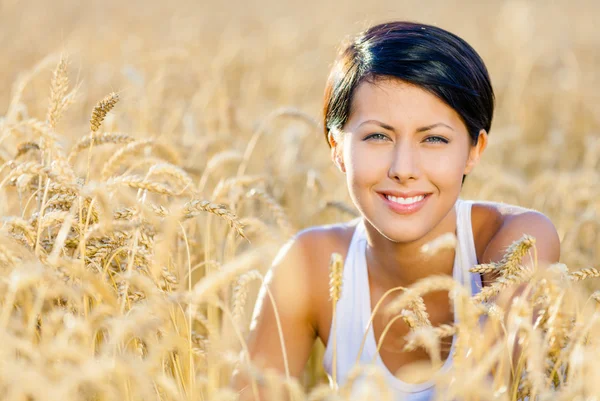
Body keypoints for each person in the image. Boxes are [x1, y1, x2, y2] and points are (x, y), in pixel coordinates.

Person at [237, 21, 560, 400]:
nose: (403, 168)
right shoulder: (309, 265)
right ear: (337, 147)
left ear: (474, 150)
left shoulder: (517, 240)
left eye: (434, 139)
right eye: (378, 136)